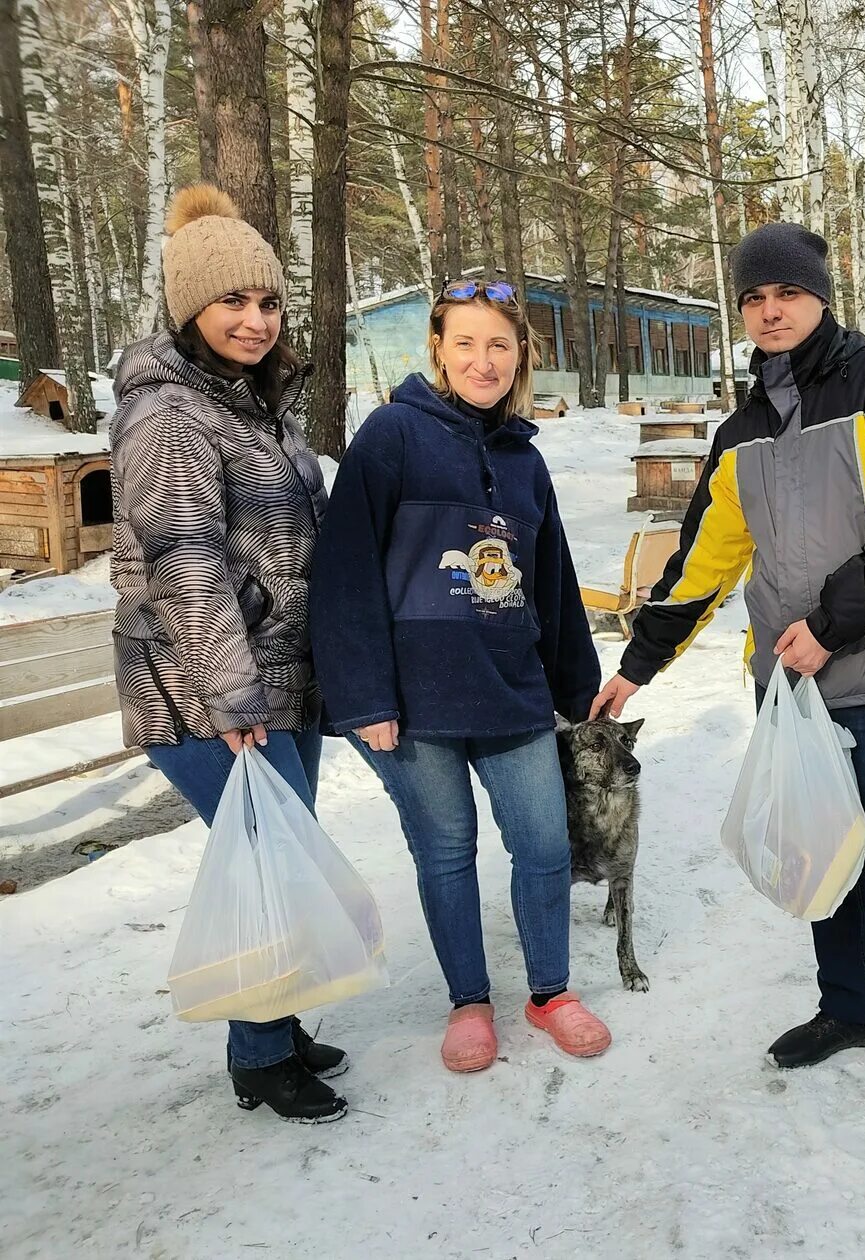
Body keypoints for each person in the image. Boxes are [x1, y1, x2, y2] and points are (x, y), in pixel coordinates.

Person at [590, 222, 865, 1126]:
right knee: (825, 856)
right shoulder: (741, 430)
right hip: (791, 691)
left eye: (786, 294)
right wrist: (637, 668)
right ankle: (848, 1008)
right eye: (754, 298)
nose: (770, 310)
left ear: (821, 296)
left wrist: (832, 626)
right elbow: (701, 565)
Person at [309, 279, 608, 1073]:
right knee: (447, 853)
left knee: (544, 846)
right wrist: (366, 696)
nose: (484, 360)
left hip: (511, 693)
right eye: (467, 343)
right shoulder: (391, 437)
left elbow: (552, 582)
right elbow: (344, 577)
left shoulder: (524, 460)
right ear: (437, 348)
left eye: (500, 345)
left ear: (521, 358)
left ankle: (549, 993)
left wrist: (577, 685)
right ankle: (469, 1001)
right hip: (415, 706)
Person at [109, 184, 348, 1123]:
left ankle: (277, 1027)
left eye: (268, 302)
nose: (255, 321)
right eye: (233, 302)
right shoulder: (170, 415)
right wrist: (233, 701)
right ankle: (259, 1057)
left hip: (281, 687)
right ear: (189, 309)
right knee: (265, 871)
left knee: (283, 861)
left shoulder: (256, 409)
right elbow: (185, 568)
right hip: (205, 694)